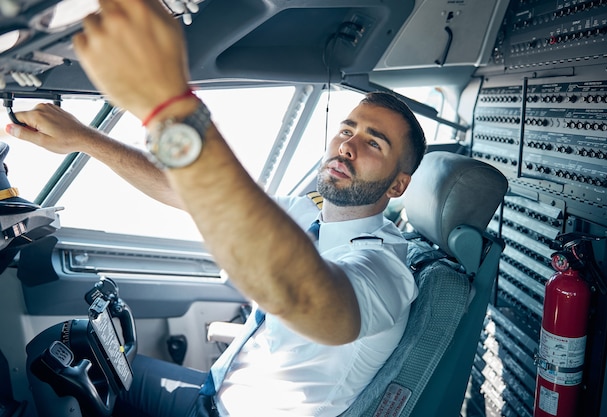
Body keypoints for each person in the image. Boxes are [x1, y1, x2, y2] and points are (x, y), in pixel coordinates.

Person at [6, 0, 427, 415]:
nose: (347, 146)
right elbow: (189, 192)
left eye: (374, 142)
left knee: (58, 364)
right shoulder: (307, 213)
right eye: (347, 129)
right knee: (61, 348)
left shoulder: (386, 270)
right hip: (212, 391)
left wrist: (168, 107)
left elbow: (299, 293)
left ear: (398, 183)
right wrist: (85, 138)